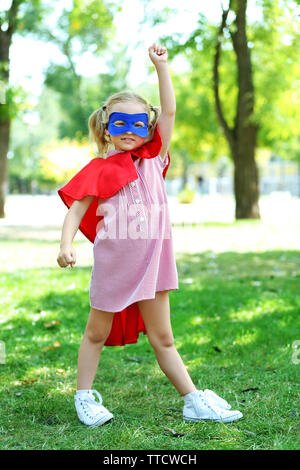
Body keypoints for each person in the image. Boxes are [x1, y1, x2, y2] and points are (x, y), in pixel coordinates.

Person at [56, 42, 243, 427]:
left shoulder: (155, 161)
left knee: (164, 338)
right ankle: (84, 396)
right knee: (95, 333)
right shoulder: (98, 169)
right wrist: (65, 245)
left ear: (149, 127)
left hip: (155, 267)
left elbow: (170, 109)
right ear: (107, 127)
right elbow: (76, 209)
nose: (129, 131)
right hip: (114, 267)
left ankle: (192, 400)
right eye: (120, 123)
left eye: (137, 123)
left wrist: (162, 67)